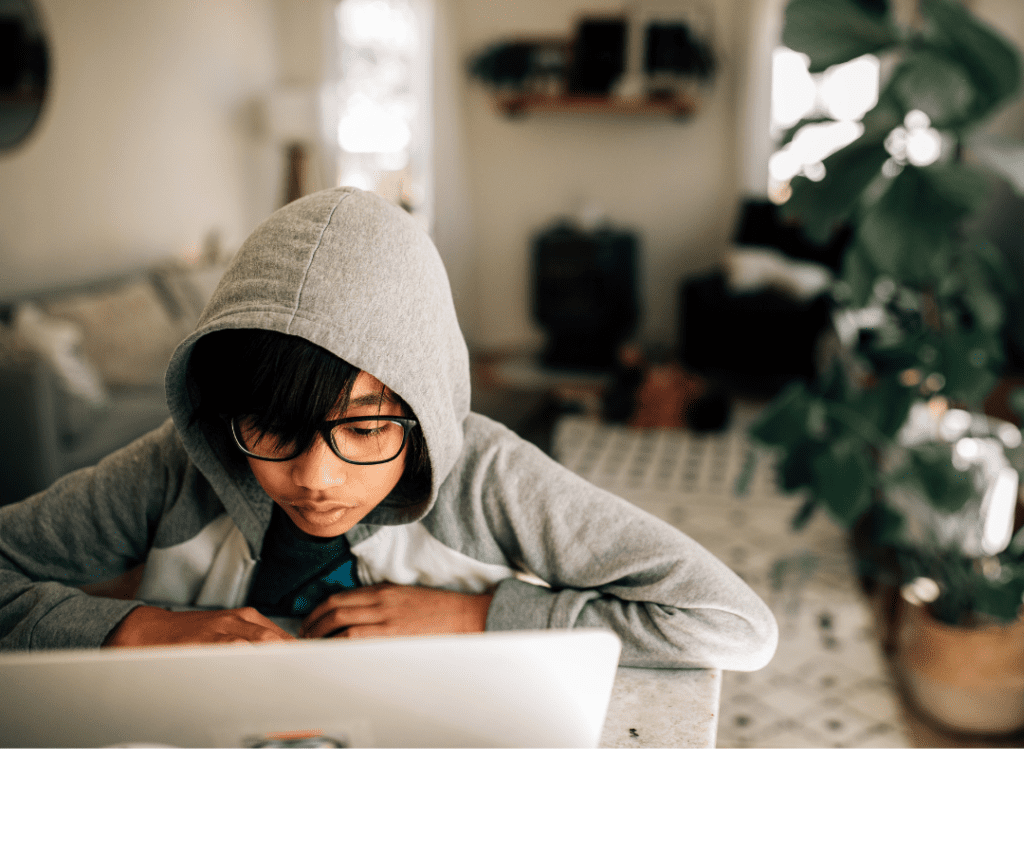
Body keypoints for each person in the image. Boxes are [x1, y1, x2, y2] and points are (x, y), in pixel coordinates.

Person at [0, 188, 777, 669]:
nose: (315, 478)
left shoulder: (488, 480)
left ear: (422, 406)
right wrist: (134, 628)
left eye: (365, 429)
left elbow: (732, 626)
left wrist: (480, 615)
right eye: (271, 427)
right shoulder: (178, 466)